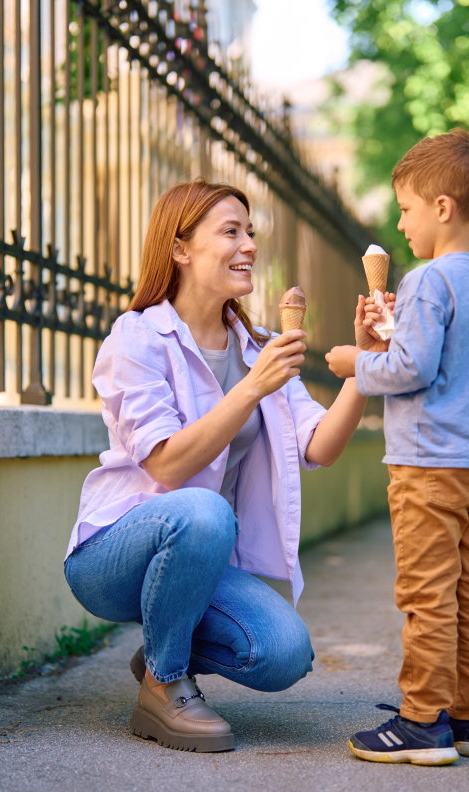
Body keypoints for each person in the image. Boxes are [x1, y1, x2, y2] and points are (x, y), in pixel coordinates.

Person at [64, 178, 378, 753]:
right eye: (230, 232)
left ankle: (168, 644)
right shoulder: (137, 337)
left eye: (250, 232)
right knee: (204, 511)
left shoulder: (256, 347)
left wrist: (364, 367)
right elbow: (168, 466)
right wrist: (250, 390)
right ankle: (164, 688)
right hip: (113, 553)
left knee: (285, 653)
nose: (250, 245)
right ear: (179, 249)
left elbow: (320, 446)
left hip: (198, 559)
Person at [325, 128, 469, 766]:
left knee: (428, 593)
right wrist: (396, 332)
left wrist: (355, 361)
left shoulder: (428, 279)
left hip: (429, 465)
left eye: (405, 208)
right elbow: (444, 359)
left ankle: (420, 721)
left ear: (442, 208)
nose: (399, 223)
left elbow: (413, 372)